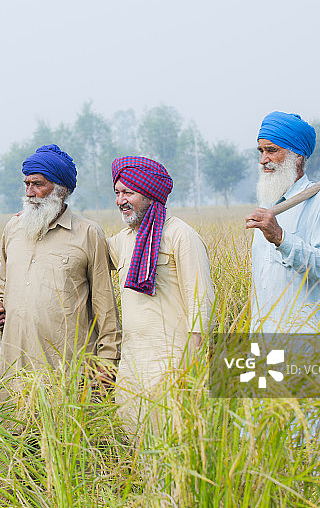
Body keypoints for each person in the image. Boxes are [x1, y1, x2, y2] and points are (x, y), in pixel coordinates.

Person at [0, 144, 120, 404]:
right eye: (26, 184)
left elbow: (105, 306)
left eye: (38, 184)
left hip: (67, 373)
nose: (29, 192)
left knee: (65, 430)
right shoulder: (13, 228)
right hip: (13, 370)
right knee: (10, 429)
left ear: (61, 189)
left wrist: (107, 364)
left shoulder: (88, 234)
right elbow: (3, 287)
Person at [108, 155, 215, 431]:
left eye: (128, 192)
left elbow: (201, 304)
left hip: (172, 364)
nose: (120, 200)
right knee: (132, 441)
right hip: (131, 366)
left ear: (149, 193)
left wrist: (190, 370)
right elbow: (85, 250)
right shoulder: (124, 240)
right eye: (117, 193)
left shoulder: (181, 235)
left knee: (171, 442)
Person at [245, 111, 320, 332]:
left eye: (272, 150)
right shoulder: (267, 206)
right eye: (261, 151)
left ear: (298, 156)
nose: (263, 160)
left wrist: (281, 238)